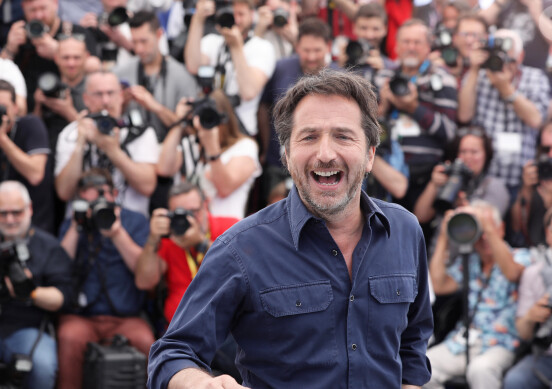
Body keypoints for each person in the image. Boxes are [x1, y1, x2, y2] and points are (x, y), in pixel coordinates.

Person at [148, 69, 433, 389]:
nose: (325, 154)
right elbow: (172, 354)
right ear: (285, 155)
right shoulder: (239, 249)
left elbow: (413, 341)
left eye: (343, 135)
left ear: (369, 156)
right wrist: (203, 385)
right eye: (309, 136)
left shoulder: (405, 231)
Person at [57, 168, 155, 389]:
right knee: (69, 337)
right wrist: (76, 226)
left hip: (126, 316)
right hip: (81, 316)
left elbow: (144, 273)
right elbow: (59, 267)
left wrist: (117, 233)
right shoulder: (74, 222)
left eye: (101, 193)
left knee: (145, 341)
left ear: (113, 194)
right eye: (87, 195)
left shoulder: (135, 221)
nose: (95, 200)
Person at [426, 200, 530, 389]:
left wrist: (487, 228)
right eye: (478, 231)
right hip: (464, 341)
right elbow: (438, 285)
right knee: (423, 366)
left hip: (502, 342)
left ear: (502, 228)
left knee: (480, 370)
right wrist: (444, 236)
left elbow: (512, 274)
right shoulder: (469, 262)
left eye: (488, 229)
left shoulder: (521, 256)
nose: (484, 238)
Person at [457, 28, 550, 199]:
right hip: (483, 178)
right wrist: (474, 70)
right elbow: (464, 115)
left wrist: (506, 89)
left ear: (520, 57)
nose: (502, 65)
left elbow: (536, 119)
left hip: (520, 178)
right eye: (497, 58)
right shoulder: (479, 76)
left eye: (509, 59)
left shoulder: (535, 78)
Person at [377, 18, 458, 211]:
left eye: (417, 42)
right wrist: (384, 106)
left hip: (424, 174)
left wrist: (413, 108)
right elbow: (367, 125)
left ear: (428, 47)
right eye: (406, 41)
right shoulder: (382, 76)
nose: (411, 47)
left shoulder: (441, 78)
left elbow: (449, 132)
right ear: (396, 46)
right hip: (385, 171)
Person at [54, 70, 159, 217]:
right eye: (98, 94)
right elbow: (64, 192)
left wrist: (112, 150)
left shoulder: (140, 132)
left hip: (130, 223)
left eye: (111, 93)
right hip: (83, 222)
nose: (105, 101)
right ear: (85, 99)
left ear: (121, 96)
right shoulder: (70, 133)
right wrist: (80, 144)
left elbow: (147, 186)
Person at [0, 181, 73, 389]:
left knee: (42, 366)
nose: (10, 219)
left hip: (28, 328)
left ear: (29, 209)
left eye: (16, 212)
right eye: (3, 213)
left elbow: (64, 297)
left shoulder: (48, 247)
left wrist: (30, 291)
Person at [258, 17, 336, 205]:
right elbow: (263, 106)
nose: (311, 57)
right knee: (275, 211)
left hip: (319, 163)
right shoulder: (281, 68)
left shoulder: (340, 77)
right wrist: (265, 145)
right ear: (297, 46)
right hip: (278, 160)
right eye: (306, 50)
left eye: (317, 50)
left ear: (328, 47)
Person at [135, 181, 239, 323]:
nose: (187, 219)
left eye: (192, 212)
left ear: (205, 205)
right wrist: (153, 239)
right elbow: (144, 283)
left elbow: (244, 266)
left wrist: (201, 243)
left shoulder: (230, 226)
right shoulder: (168, 240)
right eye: (179, 214)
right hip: (181, 327)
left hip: (225, 321)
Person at [503, 199, 552, 389]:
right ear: (547, 234)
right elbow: (523, 331)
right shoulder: (533, 273)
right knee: (514, 381)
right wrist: (531, 316)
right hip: (542, 354)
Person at [157, 89, 261, 219]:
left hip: (225, 231)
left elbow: (225, 188)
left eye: (212, 115)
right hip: (186, 229)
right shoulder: (191, 144)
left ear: (225, 118)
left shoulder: (245, 146)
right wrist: (179, 122)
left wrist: (212, 148)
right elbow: (163, 170)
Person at [183, 0, 276, 136]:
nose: (236, 20)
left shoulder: (262, 47)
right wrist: (198, 19)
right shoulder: (212, 42)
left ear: (251, 15)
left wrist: (236, 47)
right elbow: (192, 66)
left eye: (241, 14)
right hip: (208, 125)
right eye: (231, 15)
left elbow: (248, 92)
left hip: (240, 130)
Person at [115, 10, 198, 142]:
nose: (139, 49)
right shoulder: (120, 73)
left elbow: (191, 131)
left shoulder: (181, 75)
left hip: (170, 151)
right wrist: (121, 104)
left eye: (144, 41)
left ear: (159, 34)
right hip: (131, 150)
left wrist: (154, 106)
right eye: (134, 42)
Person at [0, 0, 98, 111]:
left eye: (43, 8)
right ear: (23, 9)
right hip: (28, 108)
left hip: (69, 105)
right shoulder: (19, 34)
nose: (39, 15)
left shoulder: (74, 32)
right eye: (33, 10)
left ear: (55, 4)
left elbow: (96, 66)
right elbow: (2, 73)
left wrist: (59, 51)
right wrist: (9, 49)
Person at [414, 125, 510, 224]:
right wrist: (434, 184)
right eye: (463, 151)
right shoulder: (450, 180)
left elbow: (490, 227)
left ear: (486, 155)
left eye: (474, 152)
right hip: (441, 238)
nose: (468, 157)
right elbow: (421, 216)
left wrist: (464, 207)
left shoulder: (494, 186)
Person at [511, 121, 552, 247]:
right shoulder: (535, 178)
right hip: (532, 252)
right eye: (546, 149)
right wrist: (526, 189)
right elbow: (516, 227)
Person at [0, 80, 54, 234]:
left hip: (34, 229)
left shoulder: (30, 125)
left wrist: (2, 139)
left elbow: (35, 174)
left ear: (15, 108)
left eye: (2, 107)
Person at [33, 35, 89, 154]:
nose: (71, 63)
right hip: (50, 153)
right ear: (56, 58)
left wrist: (67, 111)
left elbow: (96, 136)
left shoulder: (96, 89)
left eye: (76, 57)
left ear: (86, 57)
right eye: (65, 58)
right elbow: (33, 135)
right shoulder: (47, 88)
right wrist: (39, 105)